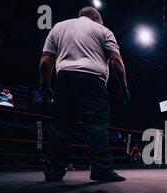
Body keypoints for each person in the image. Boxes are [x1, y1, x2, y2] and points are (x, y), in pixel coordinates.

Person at [39, 6, 130, 182]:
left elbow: (45, 59)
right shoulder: (103, 30)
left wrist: (45, 83)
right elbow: (116, 60)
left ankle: (53, 172)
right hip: (93, 81)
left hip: (64, 79)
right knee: (96, 125)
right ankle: (101, 169)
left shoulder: (58, 27)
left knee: (61, 127)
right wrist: (124, 86)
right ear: (96, 16)